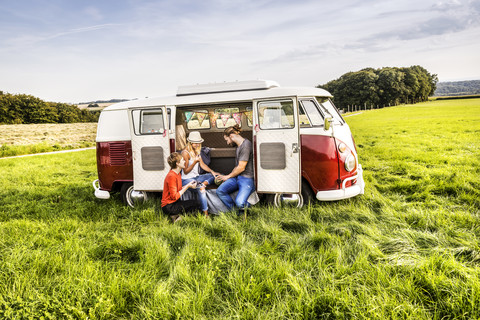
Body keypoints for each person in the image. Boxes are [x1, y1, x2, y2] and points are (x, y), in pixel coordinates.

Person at [215, 124, 254, 215]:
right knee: (220, 191)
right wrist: (226, 177)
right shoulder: (238, 146)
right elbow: (236, 167)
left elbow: (241, 167)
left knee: (240, 202)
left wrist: (227, 176)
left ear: (231, 136)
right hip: (237, 177)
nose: (227, 143)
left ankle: (250, 210)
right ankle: (236, 212)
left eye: (227, 140)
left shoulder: (246, 145)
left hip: (247, 179)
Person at [181, 131, 219, 216]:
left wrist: (212, 172)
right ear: (190, 142)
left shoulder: (197, 151)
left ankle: (204, 183)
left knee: (217, 175)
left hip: (196, 177)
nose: (197, 145)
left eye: (199, 143)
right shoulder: (185, 153)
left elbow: (202, 165)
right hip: (186, 179)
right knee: (201, 189)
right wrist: (194, 162)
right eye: (195, 143)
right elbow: (185, 171)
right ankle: (206, 215)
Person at [161, 152, 200, 222]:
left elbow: (178, 190)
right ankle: (179, 218)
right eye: (182, 160)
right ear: (177, 163)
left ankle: (175, 216)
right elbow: (175, 196)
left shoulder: (177, 173)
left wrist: (189, 184)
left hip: (174, 203)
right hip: (169, 206)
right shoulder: (171, 176)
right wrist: (188, 186)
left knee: (194, 203)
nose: (184, 161)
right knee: (196, 203)